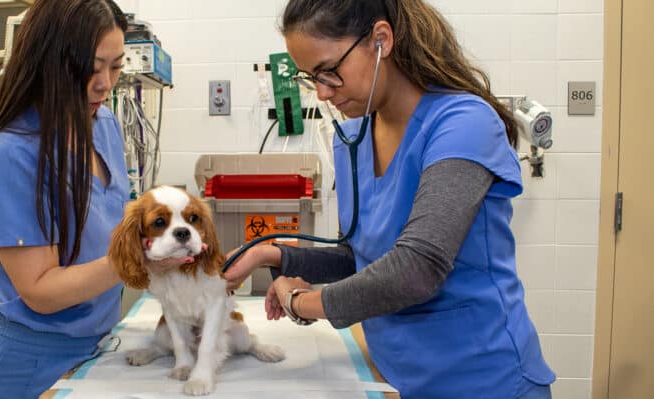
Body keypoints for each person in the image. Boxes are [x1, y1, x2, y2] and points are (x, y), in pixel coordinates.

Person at [223, 0, 556, 398]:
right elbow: (363, 257)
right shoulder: (356, 136)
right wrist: (271, 254)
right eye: (312, 78)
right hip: (393, 375)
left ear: (380, 40)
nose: (324, 94)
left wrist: (302, 302)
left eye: (330, 72)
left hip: (481, 379)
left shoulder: (462, 123)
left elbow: (416, 267)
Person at [0, 1, 191, 397]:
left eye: (116, 66)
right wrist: (140, 258)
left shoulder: (103, 125)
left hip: (94, 347)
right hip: (22, 365)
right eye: (91, 66)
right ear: (48, 62)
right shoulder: (12, 154)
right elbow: (41, 291)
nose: (105, 83)